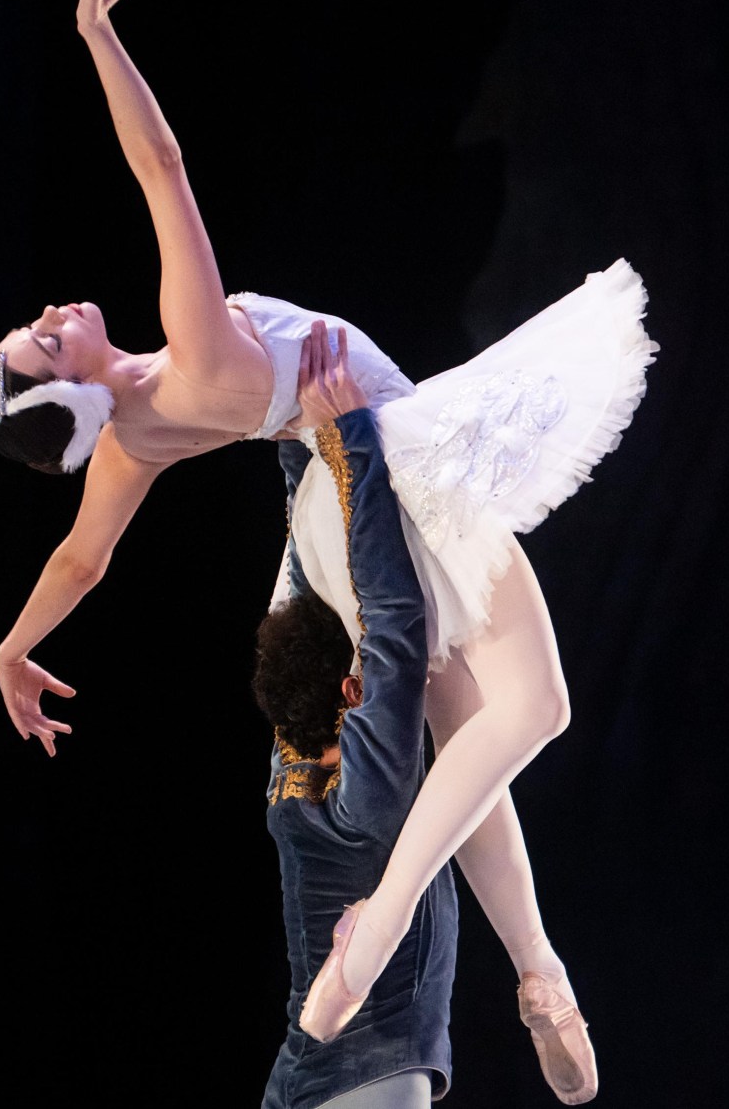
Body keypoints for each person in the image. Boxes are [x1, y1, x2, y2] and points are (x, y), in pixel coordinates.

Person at [0, 0, 646, 1102]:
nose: (51, 312)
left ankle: (541, 977)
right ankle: (380, 931)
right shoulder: (189, 354)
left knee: (467, 742)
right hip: (389, 473)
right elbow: (161, 166)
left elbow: (81, 559)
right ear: (64, 389)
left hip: (331, 516)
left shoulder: (133, 439)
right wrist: (94, 34)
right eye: (42, 338)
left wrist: (12, 645)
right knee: (534, 704)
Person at [255, 333, 455, 1109]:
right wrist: (351, 441)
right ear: (350, 689)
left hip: (306, 1072)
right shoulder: (365, 802)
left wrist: (300, 447)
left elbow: (303, 584)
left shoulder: (294, 762)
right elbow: (392, 619)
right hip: (366, 1075)